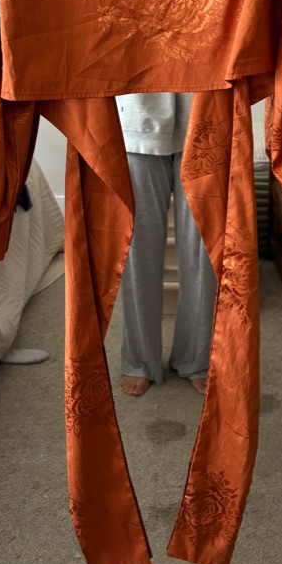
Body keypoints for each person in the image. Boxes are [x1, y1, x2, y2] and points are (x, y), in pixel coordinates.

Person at [116, 93, 217, 397]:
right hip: (135, 119)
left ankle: (196, 359)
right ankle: (140, 360)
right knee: (137, 254)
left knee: (203, 255)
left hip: (207, 119)